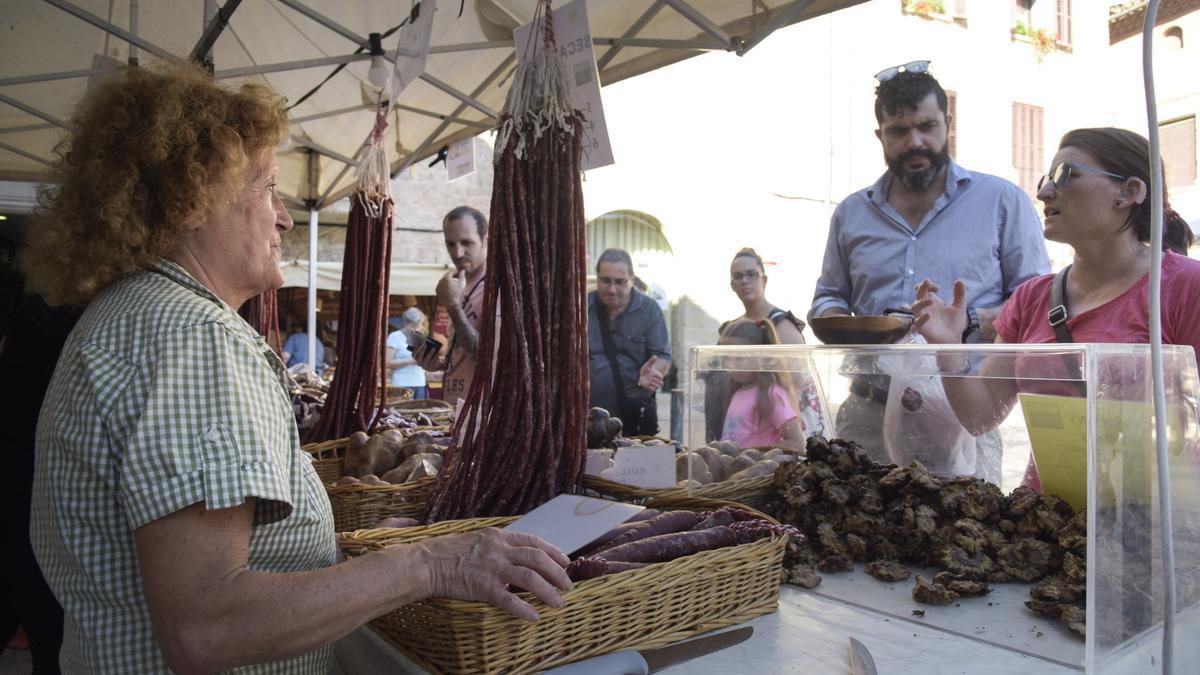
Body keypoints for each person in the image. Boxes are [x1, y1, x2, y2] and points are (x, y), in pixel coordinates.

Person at [21, 64, 570, 674]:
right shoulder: (194, 340)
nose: (283, 217)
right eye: (266, 188)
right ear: (191, 201)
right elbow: (208, 625)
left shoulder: (133, 314)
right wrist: (428, 564)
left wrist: (328, 555)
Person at [912, 127, 1200, 491]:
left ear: (1129, 191)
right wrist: (949, 348)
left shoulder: (1185, 287)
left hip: (1153, 523)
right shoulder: (1033, 297)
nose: (1044, 191)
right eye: (1047, 178)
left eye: (1067, 175)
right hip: (1048, 523)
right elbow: (981, 416)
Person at [809, 60, 1050, 466]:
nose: (914, 141)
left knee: (967, 530)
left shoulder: (1001, 201)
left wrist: (967, 320)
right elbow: (828, 298)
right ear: (880, 135)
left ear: (948, 123)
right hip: (868, 412)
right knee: (854, 528)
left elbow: (1036, 305)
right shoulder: (851, 213)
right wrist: (846, 323)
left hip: (964, 411)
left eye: (927, 126)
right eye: (899, 131)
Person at [587, 248, 671, 436]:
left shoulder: (650, 310)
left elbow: (663, 356)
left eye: (620, 282)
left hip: (634, 415)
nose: (612, 289)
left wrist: (654, 372)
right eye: (605, 281)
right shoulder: (583, 307)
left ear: (632, 279)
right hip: (590, 417)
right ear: (597, 278)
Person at [413, 206, 488, 407]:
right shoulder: (459, 286)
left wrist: (453, 306)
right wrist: (438, 364)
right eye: (450, 244)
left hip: (481, 414)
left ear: (486, 239)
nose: (458, 252)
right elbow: (464, 354)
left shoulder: (497, 288)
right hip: (455, 409)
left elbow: (487, 356)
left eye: (466, 243)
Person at [717, 319, 803, 449]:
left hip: (758, 468)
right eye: (726, 358)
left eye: (739, 358)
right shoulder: (738, 392)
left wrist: (759, 456)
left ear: (762, 357)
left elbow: (796, 442)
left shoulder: (771, 394)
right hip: (736, 467)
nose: (730, 365)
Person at [385, 307, 429, 399]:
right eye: (415, 325)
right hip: (402, 384)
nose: (419, 328)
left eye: (420, 325)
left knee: (419, 411)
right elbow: (387, 363)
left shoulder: (420, 337)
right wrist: (411, 361)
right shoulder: (395, 337)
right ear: (406, 323)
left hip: (420, 382)